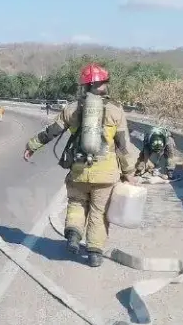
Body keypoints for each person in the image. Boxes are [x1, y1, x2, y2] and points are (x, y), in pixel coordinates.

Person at [23, 63, 136, 267]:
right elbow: (123, 146)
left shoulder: (72, 109)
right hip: (106, 175)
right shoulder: (116, 110)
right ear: (104, 84)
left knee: (76, 203)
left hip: (78, 171)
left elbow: (52, 132)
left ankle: (74, 236)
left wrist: (32, 145)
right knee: (99, 212)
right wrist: (129, 172)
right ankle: (94, 253)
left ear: (84, 86)